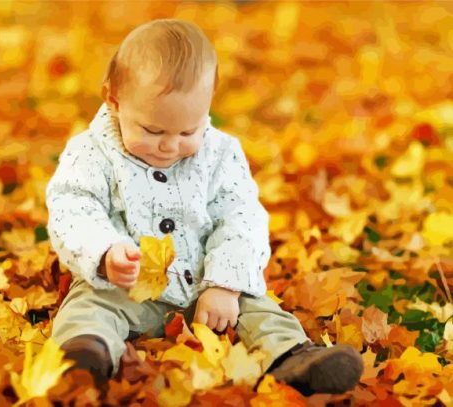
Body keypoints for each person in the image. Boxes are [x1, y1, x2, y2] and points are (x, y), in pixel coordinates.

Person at [45, 18, 364, 396]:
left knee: (259, 307)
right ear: (114, 99)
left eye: (187, 132)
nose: (169, 146)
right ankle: (85, 356)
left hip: (205, 287)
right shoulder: (91, 152)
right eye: (152, 131)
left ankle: (293, 357)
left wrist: (225, 283)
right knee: (88, 306)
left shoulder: (221, 154)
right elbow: (73, 206)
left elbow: (240, 217)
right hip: (125, 288)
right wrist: (104, 253)